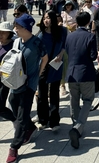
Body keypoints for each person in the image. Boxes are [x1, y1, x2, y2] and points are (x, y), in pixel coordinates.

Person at [6, 15, 48, 163]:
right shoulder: (16, 42)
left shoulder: (37, 43)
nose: (15, 29)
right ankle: (30, 128)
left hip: (29, 84)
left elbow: (45, 58)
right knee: (14, 107)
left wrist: (39, 72)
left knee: (22, 116)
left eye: (18, 27)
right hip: (15, 83)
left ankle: (14, 147)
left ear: (26, 28)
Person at [65, 11, 97, 149]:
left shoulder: (70, 36)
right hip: (85, 73)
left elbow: (67, 51)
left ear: (76, 22)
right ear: (88, 22)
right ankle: (78, 127)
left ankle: (75, 125)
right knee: (88, 100)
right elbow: (93, 56)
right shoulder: (90, 36)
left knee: (74, 99)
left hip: (71, 72)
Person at [36, 10, 67, 131]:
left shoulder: (62, 31)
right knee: (42, 94)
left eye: (48, 18)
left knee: (54, 94)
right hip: (43, 68)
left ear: (53, 19)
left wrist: (61, 54)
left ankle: (54, 121)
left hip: (56, 66)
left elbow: (65, 45)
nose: (45, 20)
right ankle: (43, 119)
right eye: (44, 18)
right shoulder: (41, 35)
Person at [0, 21, 16, 122]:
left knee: (0, 107)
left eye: (4, 32)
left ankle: (18, 121)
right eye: (0, 32)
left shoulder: (13, 46)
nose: (1, 34)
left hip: (5, 80)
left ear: (9, 34)